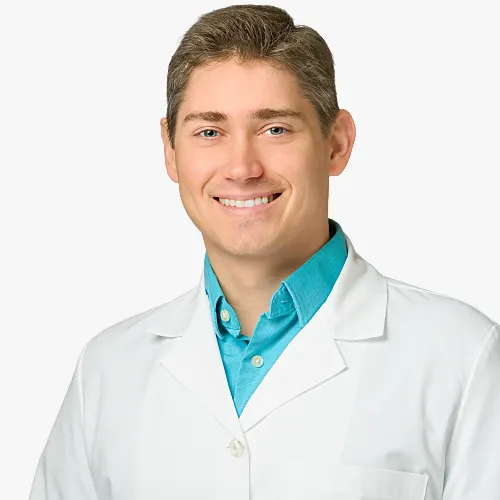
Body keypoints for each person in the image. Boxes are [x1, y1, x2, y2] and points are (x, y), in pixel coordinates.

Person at [29, 4, 499, 500]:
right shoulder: (107, 370)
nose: (242, 167)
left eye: (275, 129)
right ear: (170, 150)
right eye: (209, 132)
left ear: (337, 143)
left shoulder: (462, 358)